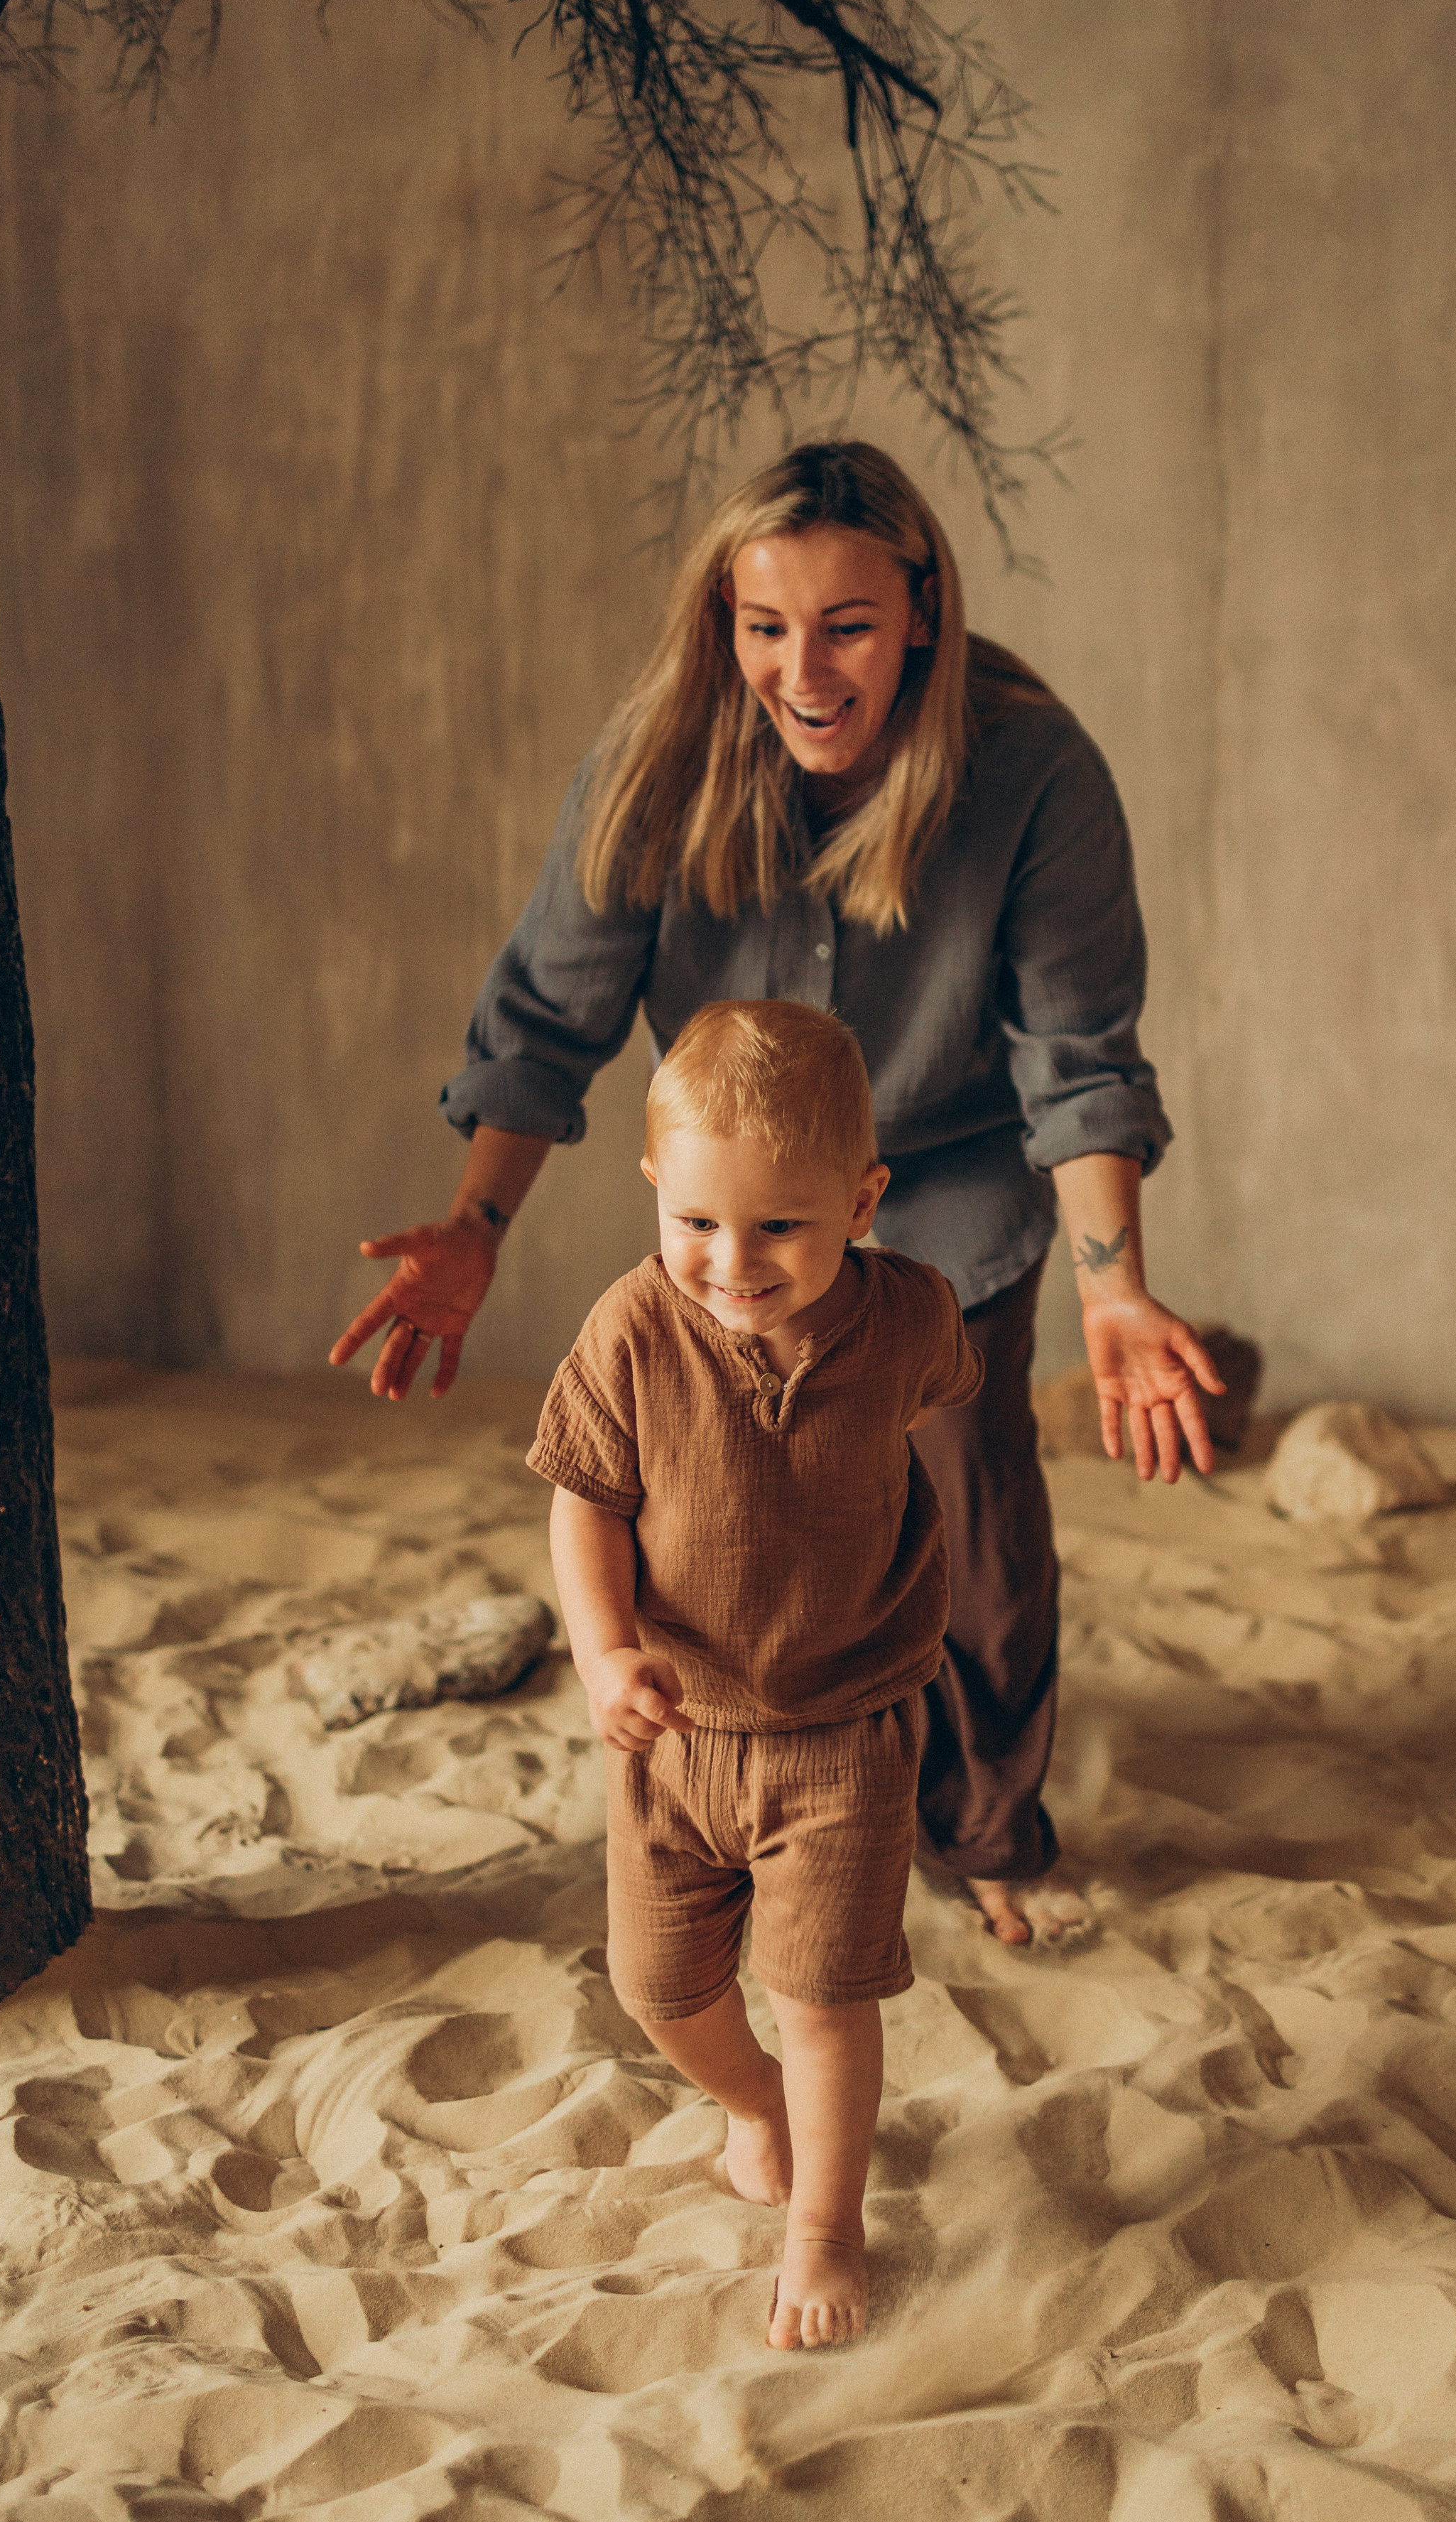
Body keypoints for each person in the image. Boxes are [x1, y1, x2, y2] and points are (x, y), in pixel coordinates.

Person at [330, 438, 1222, 1948]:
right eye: (765, 627)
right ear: (723, 623)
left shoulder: (1033, 770)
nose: (802, 672)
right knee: (711, 1507)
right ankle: (734, 1792)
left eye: (846, 626)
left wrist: (1112, 1285)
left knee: (965, 1494)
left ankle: (982, 1823)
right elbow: (549, 1016)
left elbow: (1077, 1058)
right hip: (731, 1206)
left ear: (921, 610)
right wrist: (478, 1226)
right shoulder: (654, 765)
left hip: (944, 1186)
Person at [534, 1000, 983, 2349]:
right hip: (676, 1727)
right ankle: (754, 2104)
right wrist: (605, 1652)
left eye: (780, 1225)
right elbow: (583, 1501)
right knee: (660, 1988)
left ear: (863, 1203)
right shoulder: (631, 1328)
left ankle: (827, 2226)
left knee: (823, 1998)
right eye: (696, 1221)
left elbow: (940, 1396)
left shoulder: (909, 1316)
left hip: (847, 1726)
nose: (732, 1262)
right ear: (654, 1188)